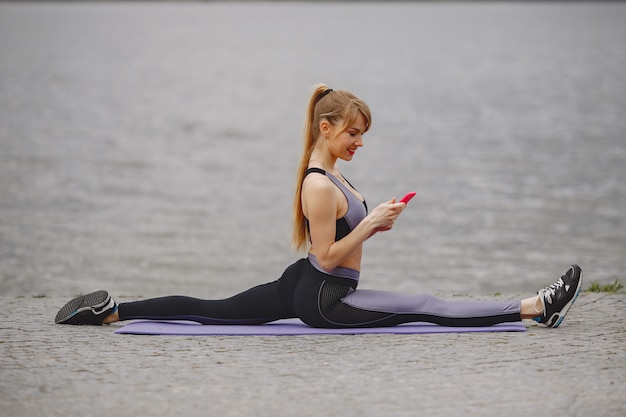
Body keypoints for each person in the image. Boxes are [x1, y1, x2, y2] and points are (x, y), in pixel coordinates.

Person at [55, 84, 582, 329]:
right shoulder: (319, 186)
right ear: (325, 129)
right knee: (424, 304)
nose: (359, 141)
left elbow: (328, 250)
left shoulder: (329, 173)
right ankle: (536, 307)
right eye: (353, 133)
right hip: (326, 296)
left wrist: (376, 221)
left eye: (362, 134)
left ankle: (113, 311)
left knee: (214, 310)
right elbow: (329, 258)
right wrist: (371, 223)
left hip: (304, 281)